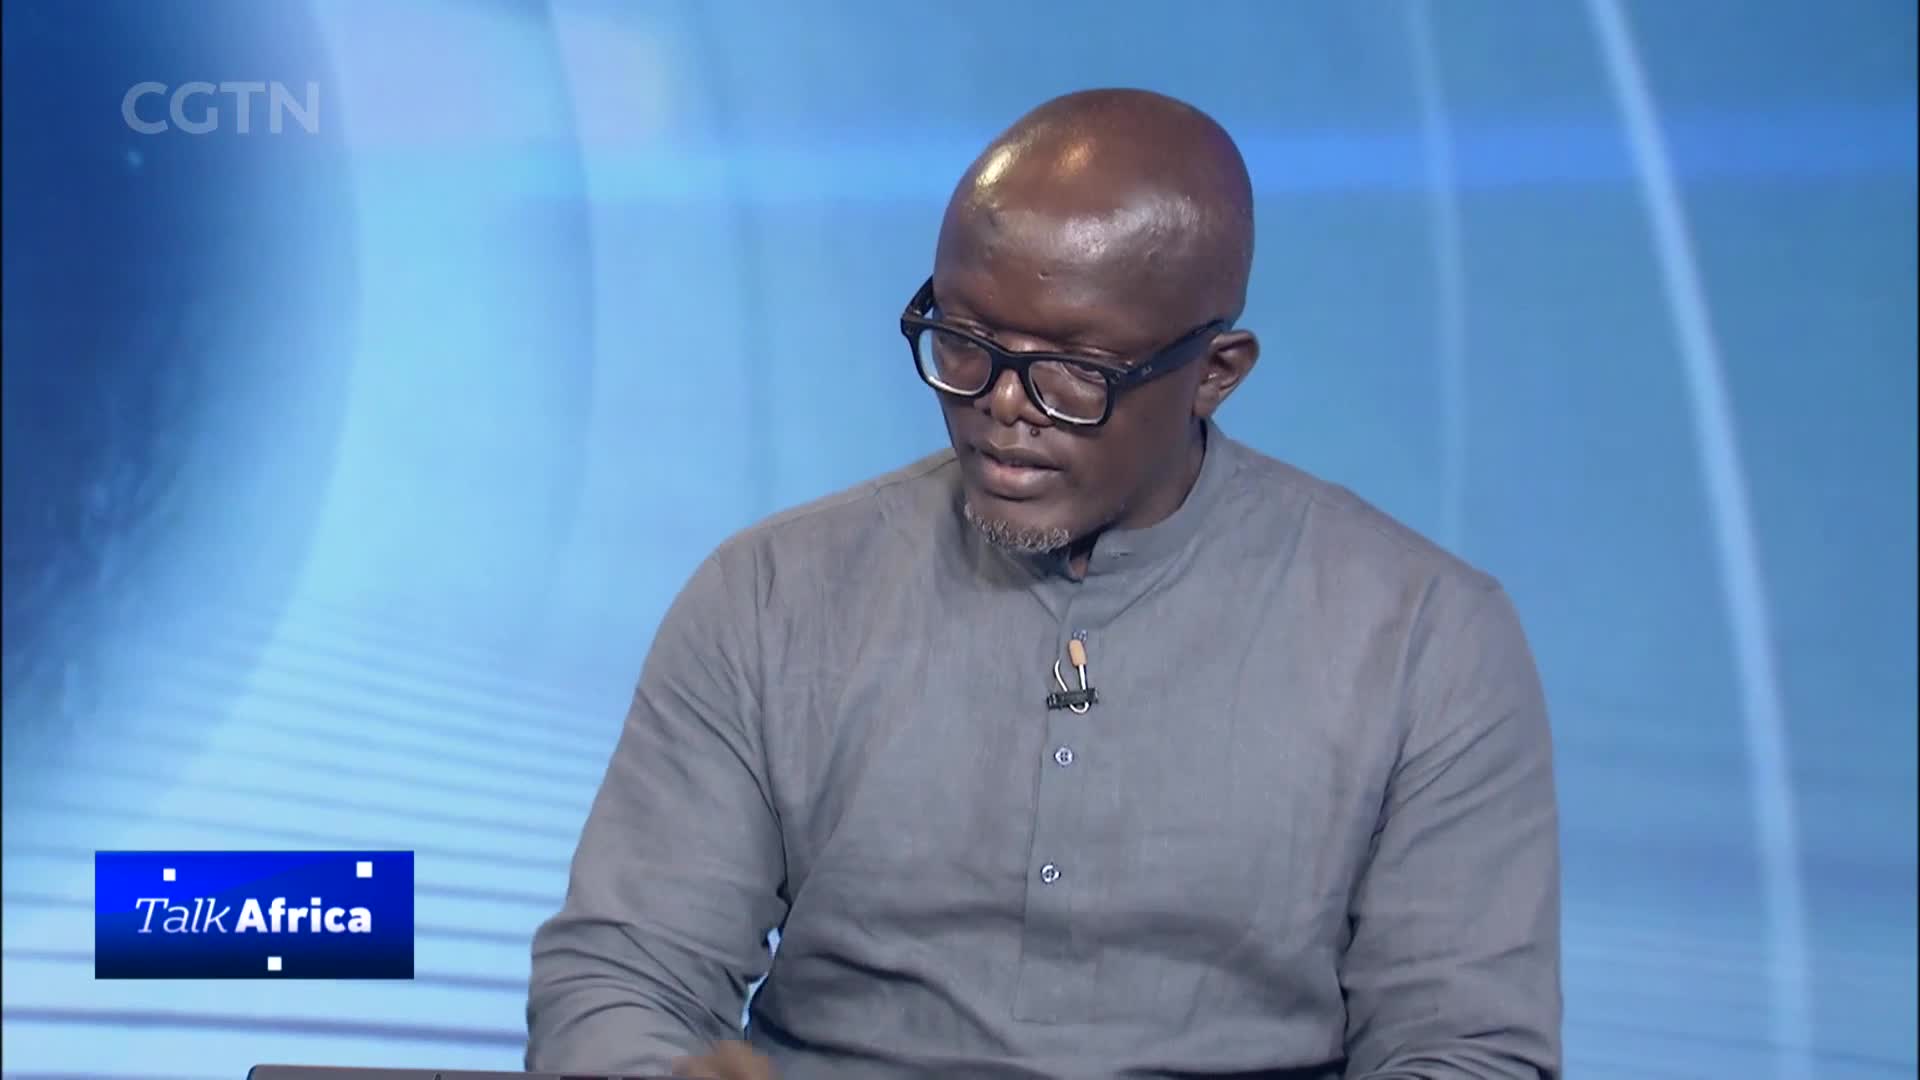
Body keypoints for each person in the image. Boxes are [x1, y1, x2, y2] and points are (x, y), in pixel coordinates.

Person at [526, 87, 1561, 1080]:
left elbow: (1466, 1050)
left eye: (1077, 370)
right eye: (965, 343)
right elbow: (624, 975)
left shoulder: (1428, 637)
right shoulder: (771, 594)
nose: (1000, 407)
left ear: (1216, 371)